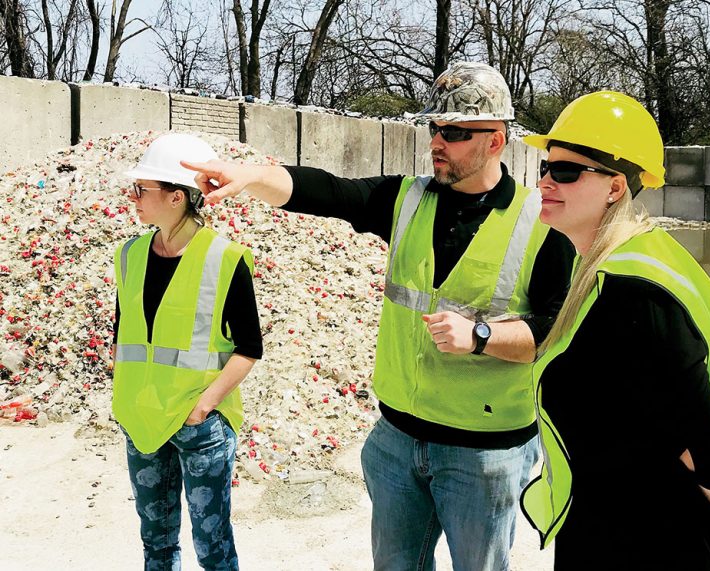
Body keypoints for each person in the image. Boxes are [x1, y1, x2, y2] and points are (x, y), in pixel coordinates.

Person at [182, 61, 575, 570]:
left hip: (484, 456)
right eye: (434, 128)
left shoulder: (541, 225)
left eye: (454, 132)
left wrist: (480, 336)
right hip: (396, 443)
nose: (437, 142)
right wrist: (253, 174)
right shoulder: (408, 200)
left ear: (495, 140)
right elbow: (330, 192)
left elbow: (551, 335)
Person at [518, 91, 710, 570]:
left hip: (658, 545)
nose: (546, 181)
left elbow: (708, 445)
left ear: (615, 188)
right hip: (624, 533)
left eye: (567, 171)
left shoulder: (631, 292)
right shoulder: (628, 258)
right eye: (545, 168)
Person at [112, 133, 262, 570]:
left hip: (200, 425)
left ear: (176, 197)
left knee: (213, 546)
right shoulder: (129, 255)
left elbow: (249, 348)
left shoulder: (224, 258)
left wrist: (204, 407)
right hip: (143, 418)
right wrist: (124, 399)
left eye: (143, 189)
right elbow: (124, 335)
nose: (134, 197)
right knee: (155, 541)